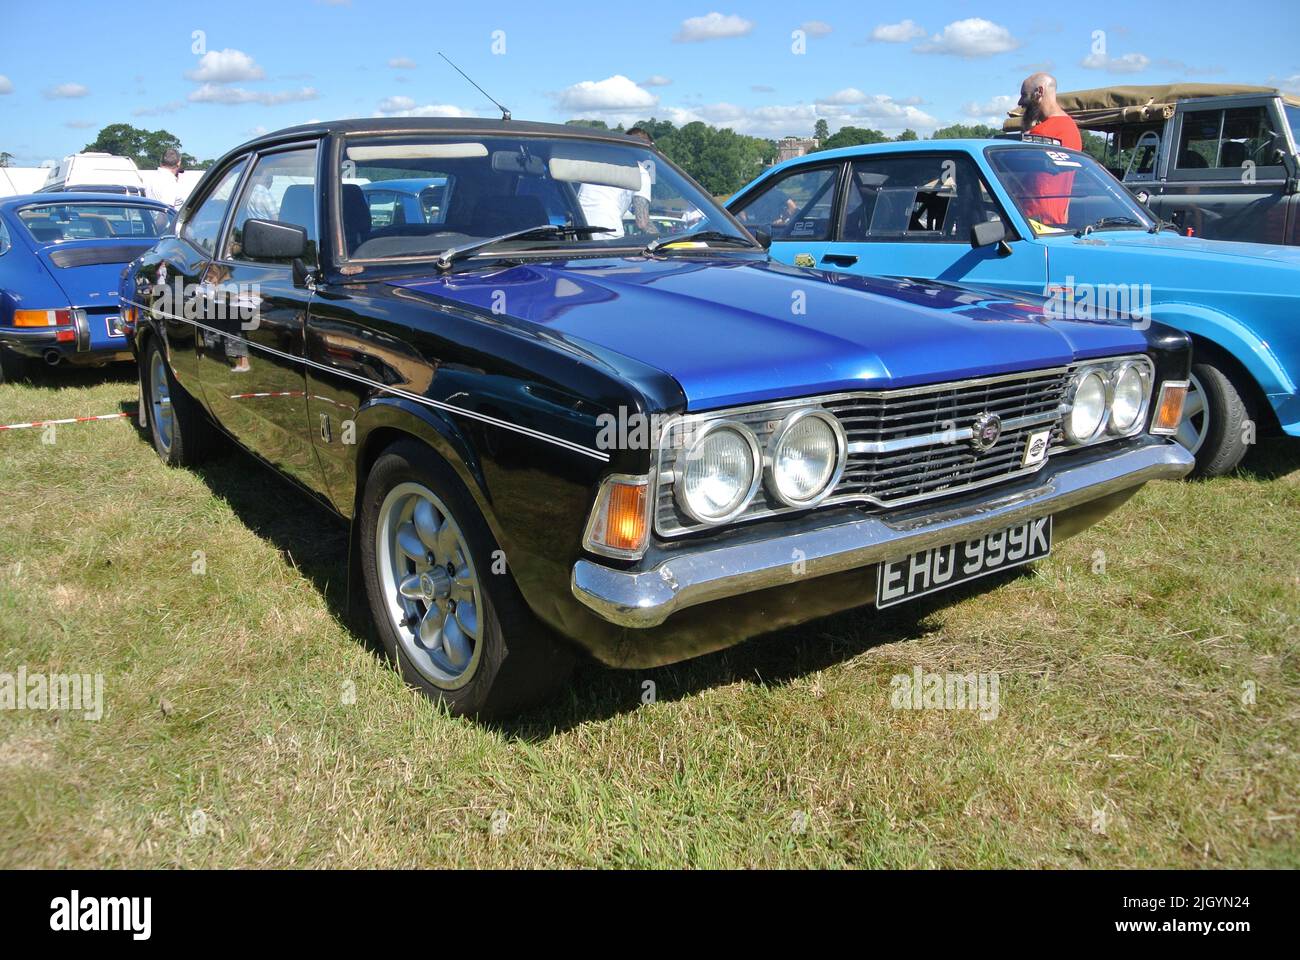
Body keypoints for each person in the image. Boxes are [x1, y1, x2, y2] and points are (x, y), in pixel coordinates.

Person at [1016, 73, 1082, 228]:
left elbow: (1016, 177)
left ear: (1039, 92)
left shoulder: (1041, 134)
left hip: (1032, 222)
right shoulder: (1071, 129)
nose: (1020, 102)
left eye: (1024, 95)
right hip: (1058, 220)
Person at [576, 127, 656, 239]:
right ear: (646, 149)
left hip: (577, 231)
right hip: (607, 233)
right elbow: (643, 222)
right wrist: (661, 240)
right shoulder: (640, 172)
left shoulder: (600, 164)